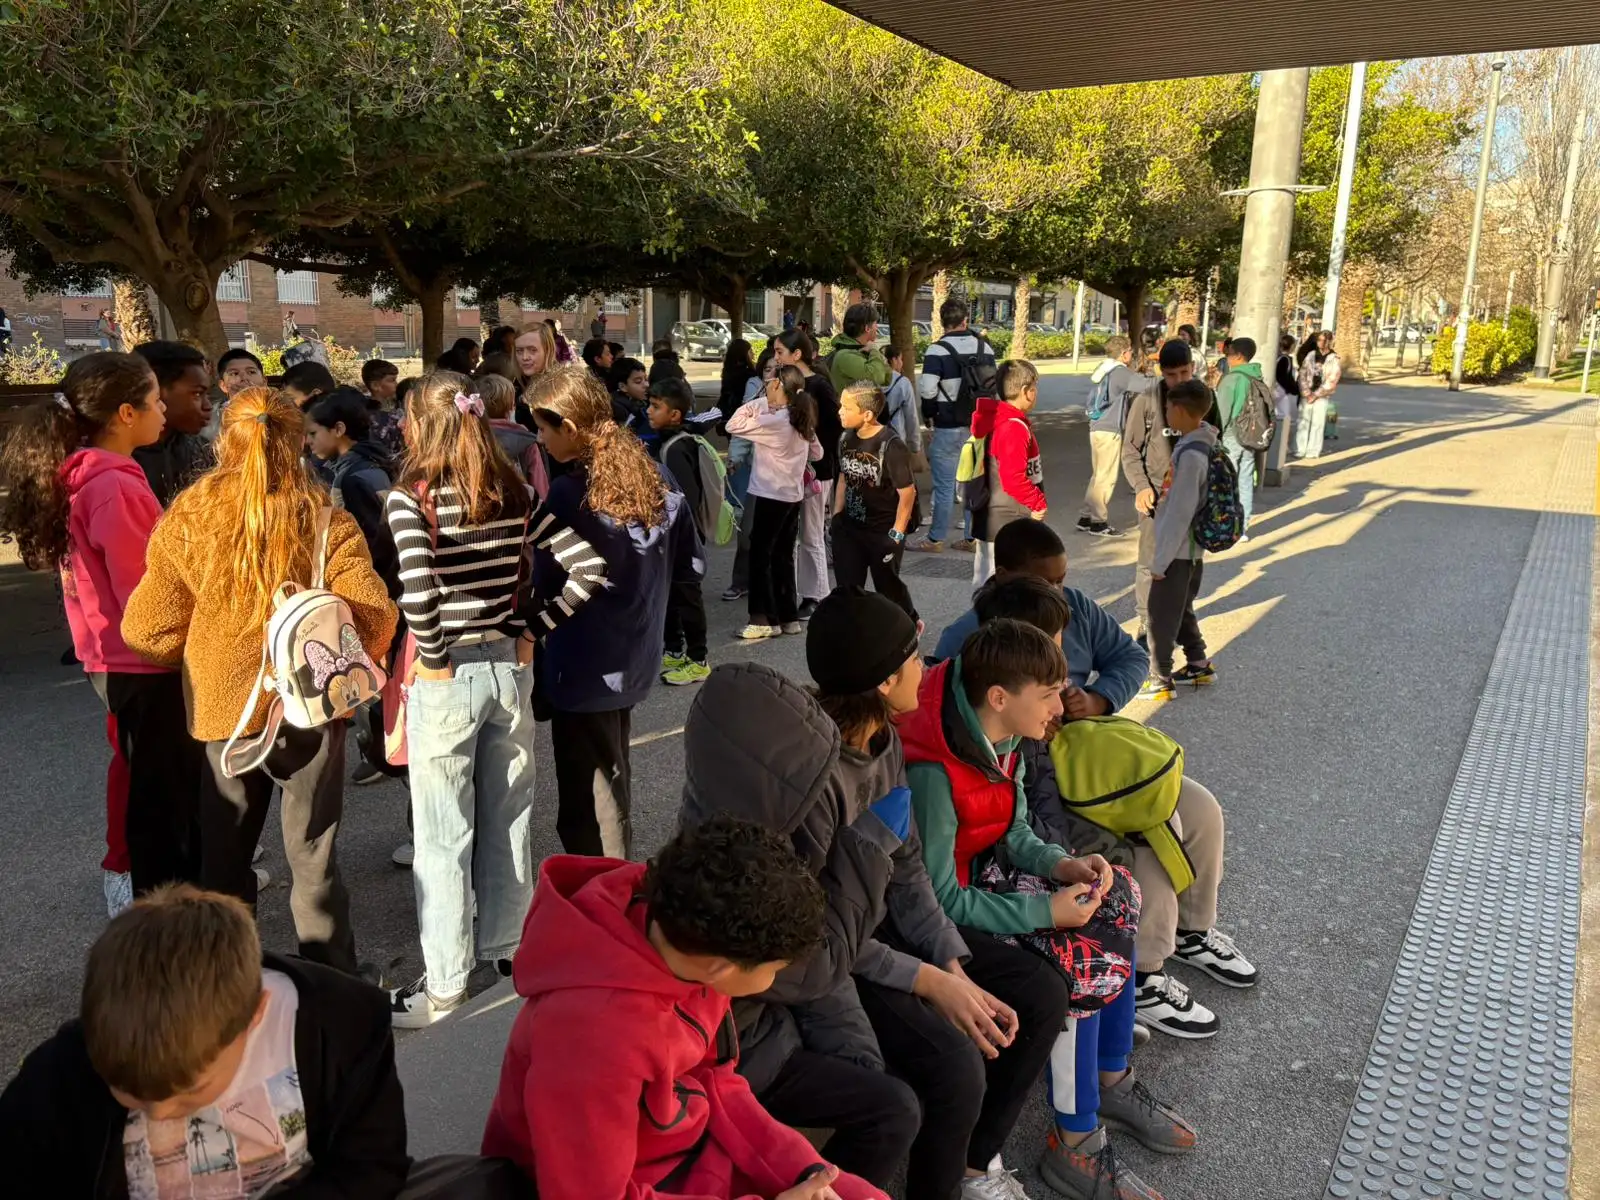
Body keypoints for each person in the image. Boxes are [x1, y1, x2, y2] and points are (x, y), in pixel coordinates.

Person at [900, 619, 1189, 1198]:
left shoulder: (1003, 740)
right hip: (948, 918)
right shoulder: (935, 773)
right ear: (999, 697)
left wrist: (1062, 865)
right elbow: (940, 898)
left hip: (983, 884)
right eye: (1050, 693)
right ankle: (1075, 1138)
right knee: (1083, 962)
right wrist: (1044, 913)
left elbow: (1015, 832)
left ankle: (1110, 1074)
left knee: (1117, 894)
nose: (1061, 707)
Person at [938, 519, 1254, 1037]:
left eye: (1063, 580)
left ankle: (1192, 930)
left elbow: (1129, 658)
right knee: (1144, 841)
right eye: (1048, 581)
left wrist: (1098, 698)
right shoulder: (970, 641)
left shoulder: (1072, 608)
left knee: (1197, 808)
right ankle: (1143, 972)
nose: (1061, 593)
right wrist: (1035, 730)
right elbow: (997, 780)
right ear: (1007, 577)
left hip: (1086, 754)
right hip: (1046, 781)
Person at [122, 387, 397, 975]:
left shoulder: (190, 518)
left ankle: (228, 983)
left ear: (225, 441)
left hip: (226, 710)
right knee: (313, 858)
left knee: (224, 858)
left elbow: (147, 627)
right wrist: (352, 664)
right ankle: (330, 982)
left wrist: (200, 654)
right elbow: (375, 614)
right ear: (296, 441)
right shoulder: (325, 518)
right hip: (312, 705)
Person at [482, 816, 886, 1200]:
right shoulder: (592, 1040)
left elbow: (717, 1081)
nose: (776, 978)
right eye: (776, 969)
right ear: (721, 967)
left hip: (686, 1149)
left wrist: (806, 1171)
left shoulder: (680, 931)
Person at [384, 370, 606, 1027]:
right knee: (510, 819)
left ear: (419, 426)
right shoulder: (514, 490)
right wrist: (531, 631)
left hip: (447, 675)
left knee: (442, 836)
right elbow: (588, 568)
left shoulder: (410, 499)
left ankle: (445, 985)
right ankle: (510, 954)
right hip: (509, 667)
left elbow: (418, 590)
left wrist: (432, 659)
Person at [0, 884, 408, 1197]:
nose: (160, 1115)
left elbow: (371, 1168)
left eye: (188, 1093)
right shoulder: (62, 1071)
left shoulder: (342, 1027)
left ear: (254, 1015)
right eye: (129, 1093)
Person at [0, 351, 206, 900]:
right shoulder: (113, 484)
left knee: (152, 791)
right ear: (125, 413)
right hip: (143, 658)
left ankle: (162, 906)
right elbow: (144, 591)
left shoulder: (86, 474)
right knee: (165, 804)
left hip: (111, 653)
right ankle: (171, 916)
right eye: (156, 401)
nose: (164, 411)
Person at [528, 366, 702, 859]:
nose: (539, 439)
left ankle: (606, 887)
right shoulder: (655, 474)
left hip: (583, 662)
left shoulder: (569, 495)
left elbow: (547, 583)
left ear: (569, 427)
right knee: (609, 770)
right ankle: (611, 876)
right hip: (638, 649)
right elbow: (691, 565)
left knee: (590, 800)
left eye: (543, 428)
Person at [1120, 338, 1220, 649]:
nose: (1178, 380)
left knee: (1187, 565)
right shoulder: (1147, 401)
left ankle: (1179, 621)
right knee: (1150, 562)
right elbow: (1130, 451)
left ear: (1193, 367)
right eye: (1171, 374)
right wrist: (1141, 486)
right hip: (1155, 500)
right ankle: (1146, 620)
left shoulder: (1205, 399)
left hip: (1193, 501)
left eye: (1184, 372)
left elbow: (1217, 449)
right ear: (1161, 372)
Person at [726, 363, 821, 641]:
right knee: (782, 555)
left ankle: (762, 618)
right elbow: (817, 452)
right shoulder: (800, 418)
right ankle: (787, 617)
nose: (765, 387)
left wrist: (759, 404)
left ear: (779, 385)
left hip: (770, 494)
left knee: (760, 555)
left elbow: (733, 424)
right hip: (792, 496)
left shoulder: (774, 420)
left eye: (768, 383)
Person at [1140, 379, 1218, 701]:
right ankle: (1198, 664)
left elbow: (1180, 512)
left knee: (1159, 614)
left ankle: (1160, 677)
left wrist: (1160, 562)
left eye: (1169, 408)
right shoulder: (1202, 443)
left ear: (1181, 411)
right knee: (1182, 607)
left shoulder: (1191, 457)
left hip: (1178, 551)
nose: (1166, 413)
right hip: (1190, 551)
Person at [832, 381, 918, 620]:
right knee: (848, 591)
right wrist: (836, 516)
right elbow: (843, 477)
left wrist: (896, 535)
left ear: (867, 414)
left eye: (847, 407)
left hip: (883, 532)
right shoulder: (845, 438)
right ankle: (855, 633)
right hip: (849, 529)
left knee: (888, 589)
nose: (840, 411)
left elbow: (907, 493)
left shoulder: (891, 445)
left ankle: (909, 623)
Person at [303, 389, 400, 598]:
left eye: (313, 433)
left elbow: (368, 545)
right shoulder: (374, 463)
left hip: (372, 588)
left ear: (338, 429)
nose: (307, 441)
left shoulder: (350, 479)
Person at [648, 377, 712, 686]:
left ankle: (698, 659)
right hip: (673, 536)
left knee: (687, 597)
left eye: (656, 406)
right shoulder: (671, 441)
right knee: (671, 595)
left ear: (675, 415)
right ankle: (673, 649)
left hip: (683, 538)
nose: (649, 411)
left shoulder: (675, 448)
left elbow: (686, 497)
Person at [914, 297, 991, 553]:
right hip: (978, 426)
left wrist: (929, 415)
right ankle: (971, 538)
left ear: (942, 321)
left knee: (945, 486)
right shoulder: (985, 348)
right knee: (972, 484)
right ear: (965, 320)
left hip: (947, 426)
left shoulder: (936, 351)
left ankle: (935, 539)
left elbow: (928, 389)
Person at [773, 328, 837, 616]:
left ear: (797, 354)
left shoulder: (819, 385)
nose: (776, 358)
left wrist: (811, 448)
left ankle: (817, 595)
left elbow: (835, 427)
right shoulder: (781, 382)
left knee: (811, 534)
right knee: (790, 536)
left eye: (780, 352)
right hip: (788, 471)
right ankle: (793, 592)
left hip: (816, 471)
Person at [969, 359, 1046, 589]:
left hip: (991, 514)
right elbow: (1013, 479)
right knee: (1006, 583)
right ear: (1026, 391)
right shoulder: (1013, 427)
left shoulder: (997, 419)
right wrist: (1037, 503)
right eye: (1035, 387)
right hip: (1008, 516)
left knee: (987, 580)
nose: (1036, 392)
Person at [131, 340, 216, 506]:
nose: (208, 406)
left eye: (207, 395)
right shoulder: (115, 457)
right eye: (197, 394)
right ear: (155, 391)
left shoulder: (201, 451)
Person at [1078, 334, 1136, 537]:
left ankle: (1086, 517)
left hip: (1097, 425)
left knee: (1098, 475)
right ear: (1124, 353)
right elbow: (1144, 386)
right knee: (1107, 477)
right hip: (1110, 428)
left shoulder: (1104, 368)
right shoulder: (1120, 372)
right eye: (1130, 351)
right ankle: (1098, 522)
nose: (1131, 355)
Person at [1213, 336, 1265, 533]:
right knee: (1245, 481)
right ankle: (1242, 527)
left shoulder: (1231, 379)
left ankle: (1227, 526)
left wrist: (1215, 435)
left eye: (1229, 353)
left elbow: (1222, 412)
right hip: (1250, 436)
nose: (1226, 357)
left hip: (1231, 436)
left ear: (1239, 356)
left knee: (1226, 483)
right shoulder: (1256, 376)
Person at [479, 371, 548, 494]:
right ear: (511, 407)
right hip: (521, 502)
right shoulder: (526, 440)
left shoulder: (472, 437)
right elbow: (540, 486)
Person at [826, 302, 891, 395]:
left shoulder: (862, 350)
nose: (877, 328)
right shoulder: (845, 356)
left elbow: (887, 379)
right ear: (867, 328)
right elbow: (878, 377)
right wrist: (874, 350)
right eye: (875, 324)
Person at [1295, 329, 1341, 460]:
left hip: (1321, 396)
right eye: (1319, 340)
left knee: (1317, 423)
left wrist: (1316, 394)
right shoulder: (1311, 355)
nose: (1320, 342)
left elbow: (1333, 379)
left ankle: (1313, 450)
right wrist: (1306, 392)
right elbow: (1302, 374)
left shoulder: (1334, 358)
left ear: (1329, 341)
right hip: (1307, 393)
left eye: (1323, 340)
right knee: (1303, 421)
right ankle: (1300, 448)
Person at [881, 343, 923, 463]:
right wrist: (915, 445)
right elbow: (911, 416)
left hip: (874, 439)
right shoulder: (903, 382)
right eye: (901, 359)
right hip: (897, 438)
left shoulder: (872, 380)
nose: (902, 363)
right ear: (894, 360)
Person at [513, 321, 559, 423]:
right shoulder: (519, 383)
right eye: (519, 351)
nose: (525, 357)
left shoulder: (561, 387)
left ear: (548, 350)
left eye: (532, 350)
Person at [361, 357, 406, 458]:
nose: (396, 384)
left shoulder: (360, 408)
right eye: (392, 380)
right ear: (375, 385)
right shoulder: (387, 419)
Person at [720, 337, 758, 414]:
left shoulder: (727, 370)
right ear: (743, 353)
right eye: (750, 351)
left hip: (725, 409)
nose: (753, 354)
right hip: (741, 411)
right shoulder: (748, 373)